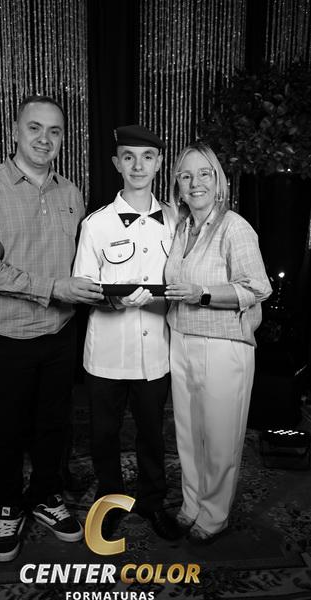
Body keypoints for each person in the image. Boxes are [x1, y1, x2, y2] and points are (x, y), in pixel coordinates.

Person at [0, 95, 103, 562]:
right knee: (6, 427)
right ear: (15, 132)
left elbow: (84, 263)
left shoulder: (71, 193)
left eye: (54, 131)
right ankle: (7, 503)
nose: (45, 139)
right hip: (3, 334)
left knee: (54, 423)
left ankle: (45, 494)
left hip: (60, 332)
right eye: (35, 128)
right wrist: (55, 287)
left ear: (63, 138)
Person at [73, 124, 181, 540]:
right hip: (107, 352)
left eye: (147, 157)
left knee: (153, 433)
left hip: (157, 350)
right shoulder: (96, 224)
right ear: (116, 164)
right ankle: (111, 500)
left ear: (159, 163)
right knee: (105, 434)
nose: (138, 166)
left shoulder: (176, 221)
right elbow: (83, 287)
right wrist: (116, 302)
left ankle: (153, 502)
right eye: (129, 157)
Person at [164, 141, 272, 545]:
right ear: (177, 184)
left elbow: (257, 288)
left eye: (204, 174)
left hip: (223, 345)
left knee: (221, 439)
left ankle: (213, 515)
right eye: (186, 175)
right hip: (182, 339)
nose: (196, 183)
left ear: (218, 181)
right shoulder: (180, 228)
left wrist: (203, 294)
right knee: (188, 434)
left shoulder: (234, 227)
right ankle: (192, 503)